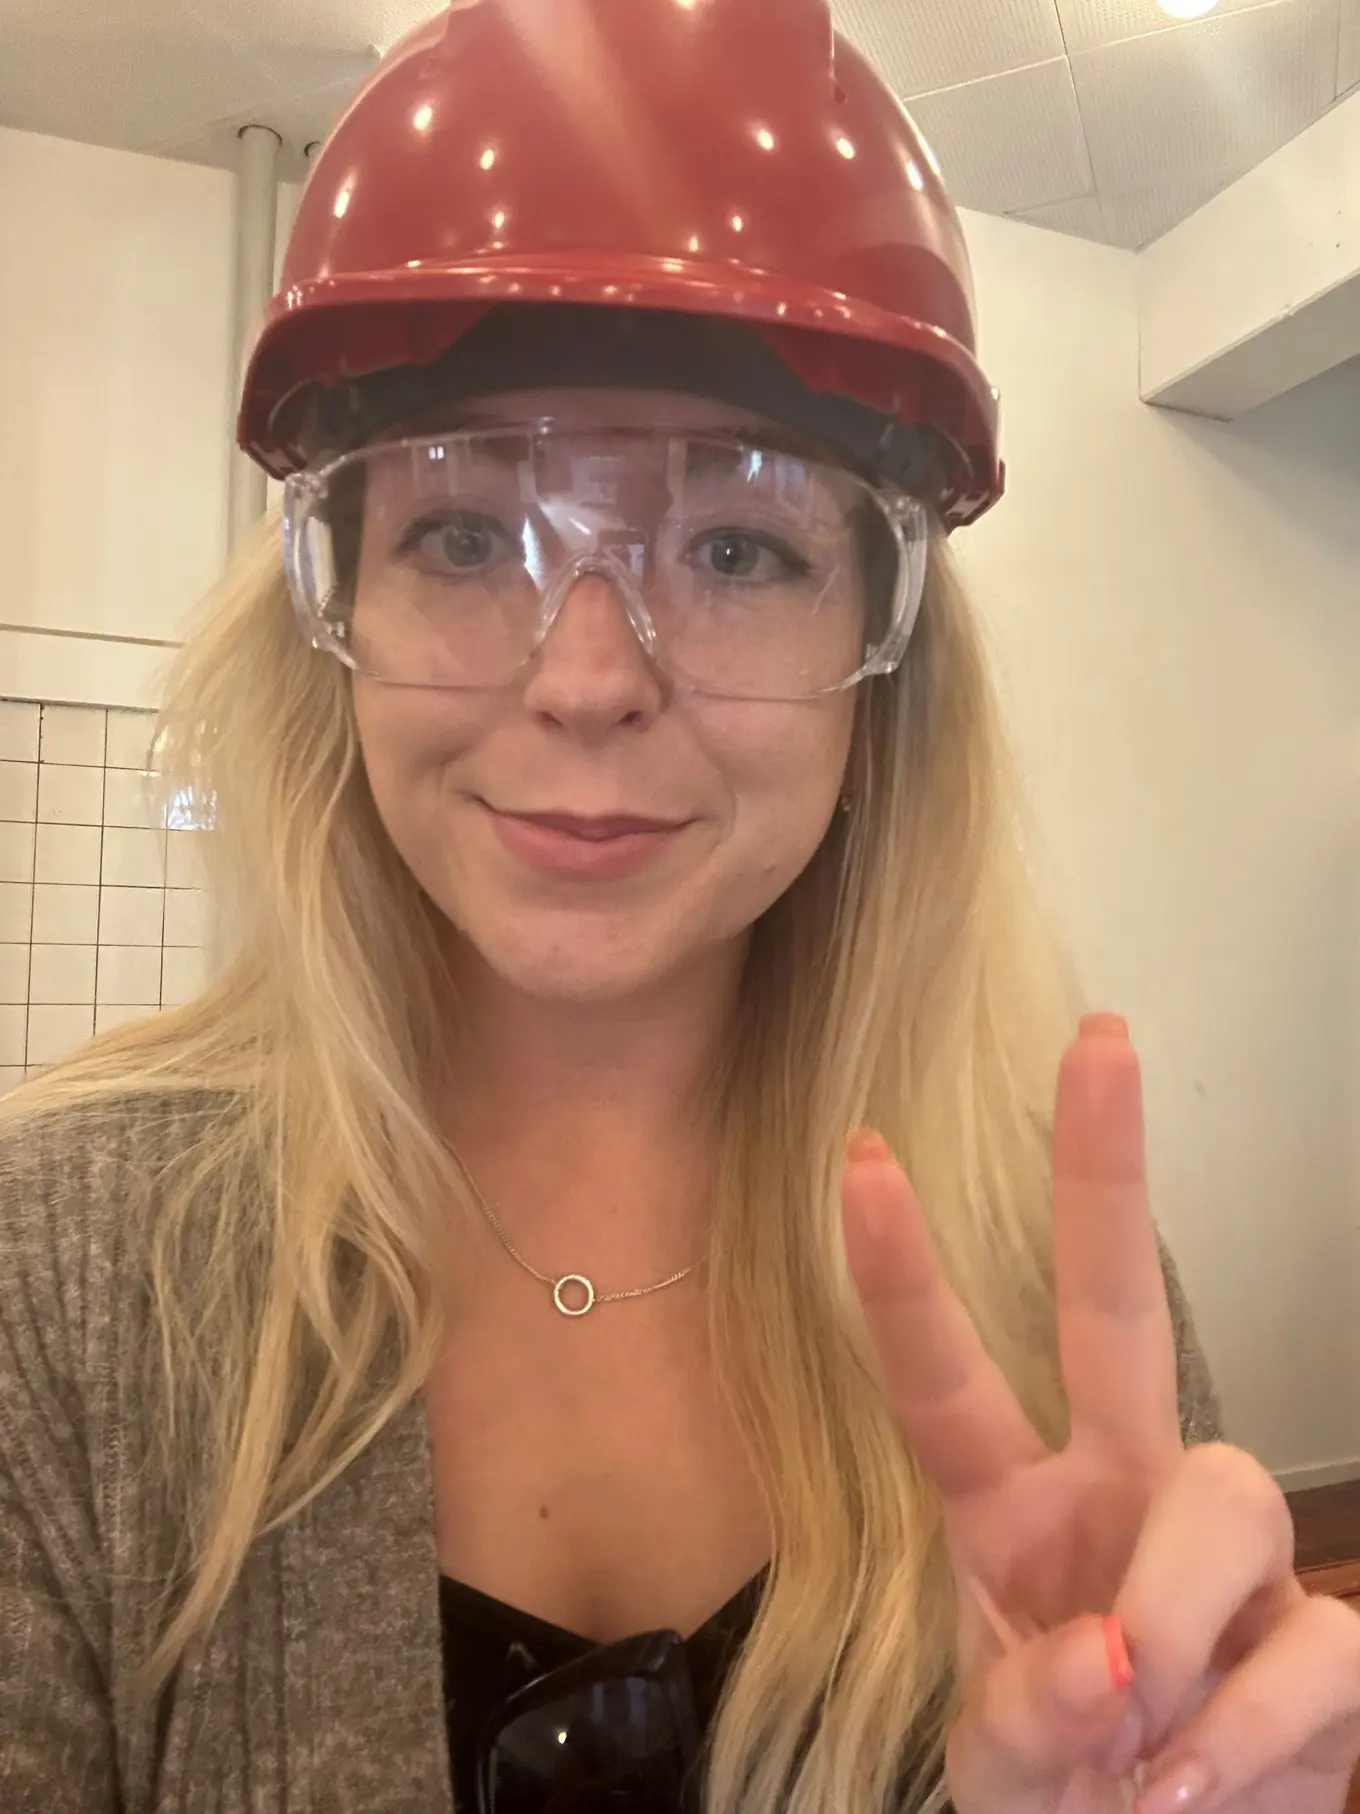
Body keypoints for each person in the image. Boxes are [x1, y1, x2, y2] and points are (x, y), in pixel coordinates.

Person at [2, 1, 1357, 1811]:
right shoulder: (56, 1277)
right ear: (330, 627)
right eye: (467, 535)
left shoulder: (1047, 1297)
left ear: (883, 677)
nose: (585, 680)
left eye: (736, 549)